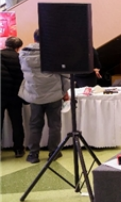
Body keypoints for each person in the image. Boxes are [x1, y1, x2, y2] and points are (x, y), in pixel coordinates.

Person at [18, 29, 70, 164]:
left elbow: (25, 74)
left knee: (35, 125)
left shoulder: (23, 53)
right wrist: (64, 92)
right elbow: (65, 75)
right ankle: (53, 152)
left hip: (34, 95)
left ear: (34, 38)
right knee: (55, 125)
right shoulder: (54, 53)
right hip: (54, 95)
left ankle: (33, 154)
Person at [1, 36, 26, 157]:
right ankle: (18, 149)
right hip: (15, 96)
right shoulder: (20, 58)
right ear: (18, 47)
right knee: (17, 122)